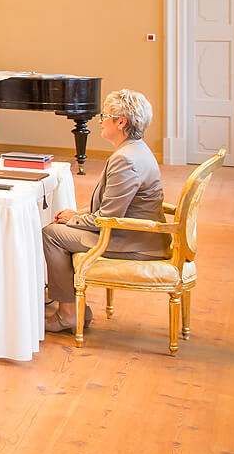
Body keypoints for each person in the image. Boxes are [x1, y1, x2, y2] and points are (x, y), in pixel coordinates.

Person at [42, 89, 169, 335]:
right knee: (62, 226)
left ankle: (69, 314)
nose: (100, 120)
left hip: (132, 241)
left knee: (51, 234)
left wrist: (75, 218)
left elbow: (107, 218)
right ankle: (73, 306)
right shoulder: (136, 149)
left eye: (104, 115)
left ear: (121, 122)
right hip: (134, 233)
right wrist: (76, 215)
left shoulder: (126, 160)